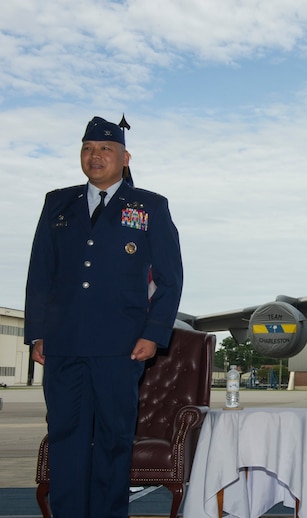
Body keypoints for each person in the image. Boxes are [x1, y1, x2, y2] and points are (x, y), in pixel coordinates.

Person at [24, 116, 184, 517]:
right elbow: (41, 271)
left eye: (105, 149)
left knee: (113, 441)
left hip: (121, 347)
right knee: (66, 438)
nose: (95, 156)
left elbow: (170, 278)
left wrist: (154, 333)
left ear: (124, 157)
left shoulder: (149, 206)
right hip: (64, 344)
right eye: (88, 149)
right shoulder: (57, 203)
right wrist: (37, 333)